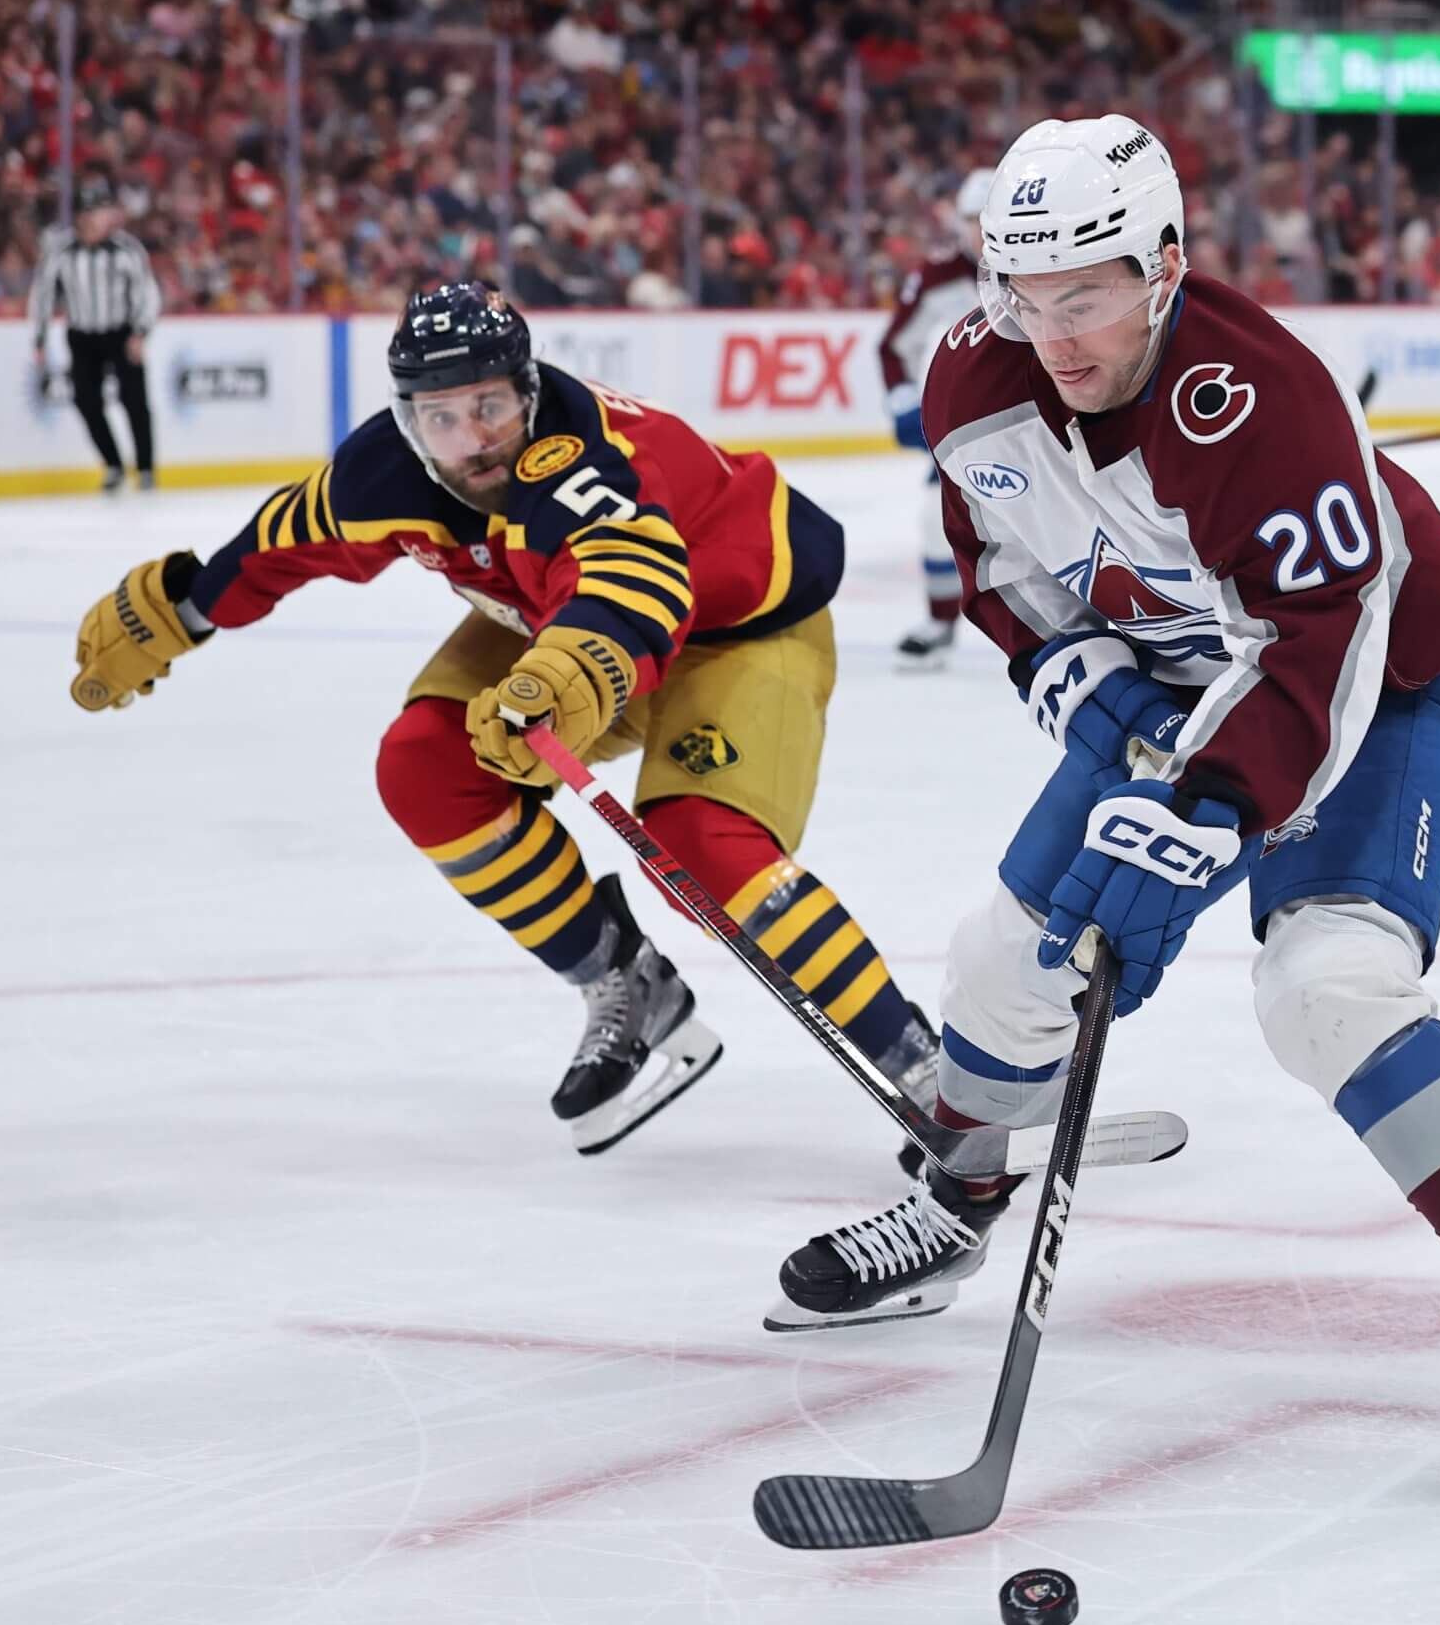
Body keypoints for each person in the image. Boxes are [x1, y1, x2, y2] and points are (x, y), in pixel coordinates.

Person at [767, 118, 1440, 1499]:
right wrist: (1086, 684)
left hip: (1384, 688)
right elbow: (999, 565)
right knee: (1003, 959)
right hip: (1178, 684)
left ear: (1164, 266)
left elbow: (1324, 643)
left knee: (1327, 985)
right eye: (1023, 295)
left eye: (1085, 295)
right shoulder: (975, 374)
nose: (1052, 335)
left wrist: (1212, 809)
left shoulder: (1262, 400)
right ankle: (959, 1200)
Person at [66, 282, 938, 1155]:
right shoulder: (385, 472)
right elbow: (289, 536)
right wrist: (189, 608)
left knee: (702, 843)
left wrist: (566, 673)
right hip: (556, 621)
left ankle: (930, 1075)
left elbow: (630, 576)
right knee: (424, 766)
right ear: (408, 420)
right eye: (442, 417)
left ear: (528, 388)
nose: (474, 437)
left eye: (490, 405)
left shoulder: (583, 458)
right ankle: (626, 983)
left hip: (739, 623)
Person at [880, 168, 993, 669]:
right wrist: (904, 400)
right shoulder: (936, 276)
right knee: (935, 517)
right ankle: (941, 622)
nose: (981, 232)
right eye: (973, 220)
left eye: (988, 219)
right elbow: (893, 346)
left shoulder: (1044, 269)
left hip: (1041, 421)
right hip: (965, 427)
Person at [29, 178, 162, 493]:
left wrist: (140, 332)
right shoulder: (61, 251)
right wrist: (40, 337)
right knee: (86, 401)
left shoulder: (127, 249)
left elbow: (147, 293)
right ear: (77, 216)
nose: (92, 219)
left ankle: (145, 468)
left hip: (121, 332)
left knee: (135, 401)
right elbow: (43, 295)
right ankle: (113, 464)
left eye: (98, 211)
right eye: (86, 212)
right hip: (82, 335)